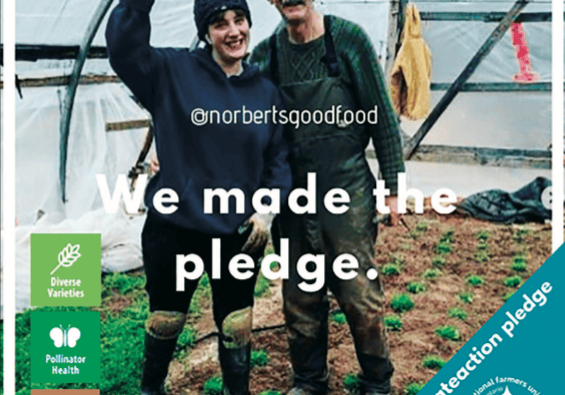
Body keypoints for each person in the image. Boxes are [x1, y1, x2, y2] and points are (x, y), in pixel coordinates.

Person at [106, 0, 292, 393]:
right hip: (175, 227)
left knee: (236, 322)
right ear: (206, 32)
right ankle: (151, 388)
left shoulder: (264, 92)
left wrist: (266, 211)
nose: (233, 31)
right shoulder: (172, 71)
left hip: (237, 231)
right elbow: (123, 51)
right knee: (166, 318)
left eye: (239, 20)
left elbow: (278, 159)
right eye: (220, 23)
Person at [249, 1, 406, 394]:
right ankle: (309, 381)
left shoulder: (348, 40)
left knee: (359, 294)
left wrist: (392, 189)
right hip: (294, 198)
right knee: (300, 298)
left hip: (347, 190)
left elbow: (382, 119)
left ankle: (376, 380)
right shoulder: (265, 56)